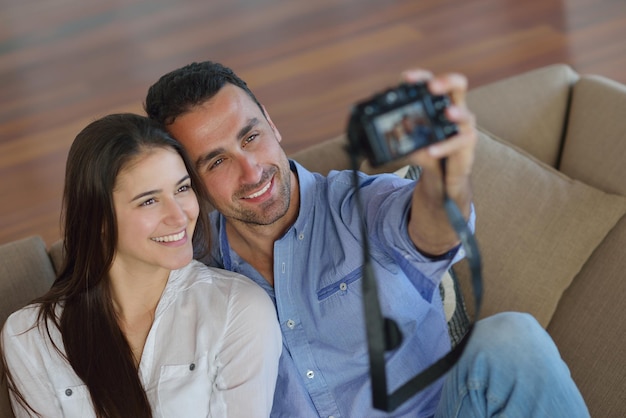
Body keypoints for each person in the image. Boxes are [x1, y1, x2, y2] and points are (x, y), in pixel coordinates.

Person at [144, 62, 590, 417]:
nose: (251, 171)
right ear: (188, 180)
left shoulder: (362, 206)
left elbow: (433, 232)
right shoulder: (190, 274)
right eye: (216, 161)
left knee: (511, 338)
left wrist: (443, 175)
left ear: (273, 125)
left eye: (252, 136)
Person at [0, 113, 281, 418]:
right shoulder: (30, 337)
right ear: (100, 218)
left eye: (182, 189)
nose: (179, 215)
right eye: (149, 201)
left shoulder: (239, 310)